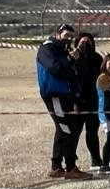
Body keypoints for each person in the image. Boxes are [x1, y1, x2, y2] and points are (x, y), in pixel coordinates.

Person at [36, 25, 90, 180]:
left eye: (71, 36)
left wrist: (77, 60)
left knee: (63, 128)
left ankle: (56, 166)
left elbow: (81, 71)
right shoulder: (47, 49)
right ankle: (71, 167)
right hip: (54, 94)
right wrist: (70, 65)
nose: (69, 39)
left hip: (65, 94)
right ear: (57, 34)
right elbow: (55, 69)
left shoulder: (66, 50)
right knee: (69, 129)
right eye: (66, 35)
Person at [72, 33, 105, 172]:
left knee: (92, 132)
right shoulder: (72, 57)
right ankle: (70, 163)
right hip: (77, 100)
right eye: (82, 43)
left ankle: (96, 160)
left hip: (93, 100)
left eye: (88, 42)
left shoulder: (97, 58)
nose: (85, 45)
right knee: (75, 133)